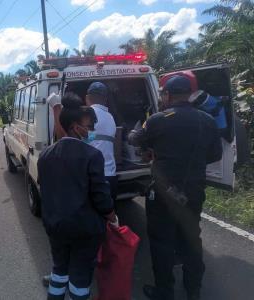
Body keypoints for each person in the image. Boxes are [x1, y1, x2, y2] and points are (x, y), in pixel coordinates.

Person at [128, 75, 223, 300]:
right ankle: (193, 290)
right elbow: (216, 154)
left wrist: (137, 135)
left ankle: (164, 292)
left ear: (168, 95)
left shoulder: (158, 120)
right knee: (191, 238)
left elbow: (136, 140)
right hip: (194, 191)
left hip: (163, 193)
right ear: (189, 94)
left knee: (162, 241)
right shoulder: (207, 120)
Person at [38, 93, 118, 300]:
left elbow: (45, 189)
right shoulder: (92, 155)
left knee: (59, 271)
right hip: (85, 229)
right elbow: (100, 196)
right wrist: (112, 216)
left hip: (55, 226)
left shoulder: (46, 155)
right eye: (89, 126)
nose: (91, 131)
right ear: (75, 126)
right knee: (80, 278)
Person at [48, 82, 117, 200]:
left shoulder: (85, 116)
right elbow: (92, 138)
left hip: (91, 177)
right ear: (105, 99)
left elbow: (64, 139)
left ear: (87, 98)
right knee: (107, 213)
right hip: (110, 175)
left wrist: (56, 107)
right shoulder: (111, 118)